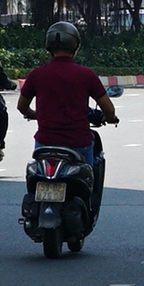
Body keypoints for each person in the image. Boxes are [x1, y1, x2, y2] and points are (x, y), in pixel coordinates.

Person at [18, 20, 119, 214]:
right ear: (75, 45)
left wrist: (36, 116)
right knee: (90, 175)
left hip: (44, 143)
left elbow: (22, 106)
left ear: (49, 46)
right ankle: (88, 206)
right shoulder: (86, 75)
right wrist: (109, 117)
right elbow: (108, 108)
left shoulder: (37, 74)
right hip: (78, 142)